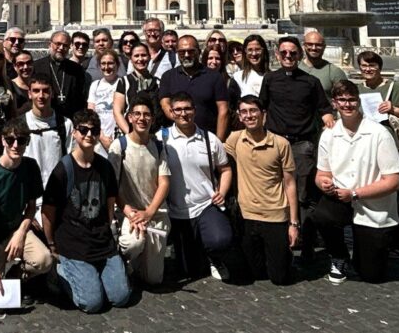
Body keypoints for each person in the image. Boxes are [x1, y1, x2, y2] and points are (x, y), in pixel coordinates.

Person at [314, 80, 399, 284]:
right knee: (320, 216)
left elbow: (394, 181)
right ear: (334, 103)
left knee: (372, 275)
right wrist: (324, 183)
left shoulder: (379, 133)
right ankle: (338, 255)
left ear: (359, 101)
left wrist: (355, 193)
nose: (347, 105)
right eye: (342, 100)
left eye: (351, 100)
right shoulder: (328, 134)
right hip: (340, 197)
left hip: (371, 203)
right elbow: (321, 174)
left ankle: (368, 250)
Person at [41, 109, 131, 313]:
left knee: (121, 297)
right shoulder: (63, 170)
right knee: (92, 303)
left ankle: (96, 273)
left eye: (94, 130)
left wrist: (110, 231)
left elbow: (109, 204)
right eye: (83, 130)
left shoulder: (105, 167)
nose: (89, 135)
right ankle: (61, 271)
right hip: (73, 244)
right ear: (74, 132)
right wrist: (52, 244)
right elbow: (48, 212)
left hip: (102, 243)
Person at [259, 36, 333, 260]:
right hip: (276, 144)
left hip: (302, 145)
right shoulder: (270, 79)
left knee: (303, 196)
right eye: (284, 53)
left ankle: (306, 241)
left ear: (299, 56)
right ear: (277, 55)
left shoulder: (311, 82)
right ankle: (280, 239)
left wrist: (334, 127)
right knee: (275, 192)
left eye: (292, 53)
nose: (288, 57)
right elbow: (261, 109)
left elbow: (324, 109)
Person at [0, 117, 52, 303]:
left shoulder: (30, 167)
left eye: (21, 140)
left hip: (16, 228)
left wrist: (21, 232)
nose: (15, 145)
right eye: (10, 140)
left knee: (44, 260)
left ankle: (16, 276)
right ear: (2, 141)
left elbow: (31, 208)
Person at [162, 92, 240, 283]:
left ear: (194, 111)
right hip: (176, 211)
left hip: (205, 206)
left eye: (187, 108)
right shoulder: (161, 139)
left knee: (220, 239)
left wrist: (221, 192)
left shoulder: (209, 139)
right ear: (171, 112)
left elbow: (225, 169)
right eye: (178, 109)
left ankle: (215, 256)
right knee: (189, 270)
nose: (183, 113)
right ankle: (195, 253)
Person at [224, 95, 299, 286]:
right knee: (256, 274)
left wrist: (293, 224)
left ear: (263, 114)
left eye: (253, 111)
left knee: (280, 278)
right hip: (247, 215)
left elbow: (290, 184)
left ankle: (282, 254)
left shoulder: (281, 144)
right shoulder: (234, 139)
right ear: (239, 117)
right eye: (244, 112)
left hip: (275, 214)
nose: (249, 115)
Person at [356, 51, 399, 254]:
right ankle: (373, 235)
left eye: (372, 66)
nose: (368, 69)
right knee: (371, 192)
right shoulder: (358, 89)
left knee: (398, 195)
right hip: (367, 149)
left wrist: (394, 109)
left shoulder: (395, 87)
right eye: (364, 66)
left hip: (394, 149)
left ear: (380, 67)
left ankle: (396, 242)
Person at [108, 96, 170, 286]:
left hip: (155, 215)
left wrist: (149, 212)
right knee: (132, 244)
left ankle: (140, 262)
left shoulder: (158, 147)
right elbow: (112, 185)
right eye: (137, 114)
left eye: (146, 115)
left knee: (153, 279)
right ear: (129, 118)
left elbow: (164, 182)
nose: (142, 118)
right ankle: (123, 260)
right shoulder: (119, 146)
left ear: (152, 119)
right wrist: (130, 212)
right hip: (129, 213)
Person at [159, 35, 230, 139]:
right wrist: (182, 121)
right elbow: (165, 104)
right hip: (176, 138)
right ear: (177, 53)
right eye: (182, 52)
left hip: (207, 138)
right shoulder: (168, 76)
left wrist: (219, 141)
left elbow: (223, 110)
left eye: (191, 51)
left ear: (199, 52)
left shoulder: (214, 76)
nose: (186, 55)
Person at [22, 75, 73, 195]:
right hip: (29, 192)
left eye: (45, 91)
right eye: (36, 91)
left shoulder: (65, 124)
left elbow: (71, 158)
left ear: (52, 93)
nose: (41, 96)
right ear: (29, 94)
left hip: (57, 191)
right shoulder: (21, 124)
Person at [32, 31, 90, 117]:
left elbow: (81, 99)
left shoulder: (76, 69)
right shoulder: (36, 66)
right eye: (58, 44)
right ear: (50, 44)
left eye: (65, 45)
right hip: (45, 117)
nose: (61, 48)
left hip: (70, 118)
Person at [113, 43, 160, 136]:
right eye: (136, 56)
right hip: (127, 134)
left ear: (150, 57)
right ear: (131, 59)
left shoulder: (158, 83)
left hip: (152, 135)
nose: (140, 59)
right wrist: (129, 134)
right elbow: (117, 112)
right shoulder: (124, 81)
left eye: (143, 55)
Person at [87, 51, 121, 153]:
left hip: (118, 136)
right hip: (99, 137)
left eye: (110, 63)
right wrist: (102, 137)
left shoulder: (123, 82)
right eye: (103, 63)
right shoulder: (95, 85)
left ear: (117, 65)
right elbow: (91, 113)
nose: (107, 67)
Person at [302, 31, 346, 95]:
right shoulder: (294, 68)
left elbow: (345, 97)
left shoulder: (334, 72)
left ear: (324, 47)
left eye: (318, 45)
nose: (314, 48)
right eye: (310, 44)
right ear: (304, 46)